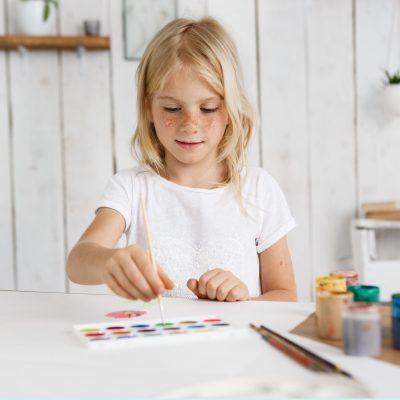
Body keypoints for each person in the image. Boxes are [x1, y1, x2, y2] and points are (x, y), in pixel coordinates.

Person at [66, 17, 297, 302]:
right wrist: (110, 261)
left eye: (208, 108)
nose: (190, 124)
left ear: (230, 110)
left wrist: (244, 301)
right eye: (173, 108)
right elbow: (77, 262)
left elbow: (286, 296)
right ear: (148, 107)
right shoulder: (132, 188)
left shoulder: (259, 189)